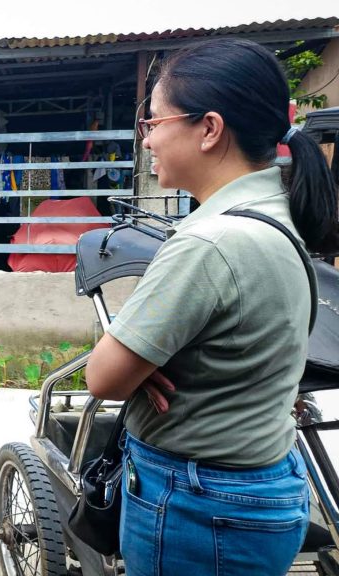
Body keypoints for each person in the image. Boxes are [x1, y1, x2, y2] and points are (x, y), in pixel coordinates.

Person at [86, 38, 339, 576]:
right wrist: (155, 357)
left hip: (197, 506)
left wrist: (140, 361)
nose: (148, 138)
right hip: (260, 484)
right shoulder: (273, 210)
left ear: (209, 129)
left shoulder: (210, 244)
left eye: (154, 122)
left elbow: (105, 377)